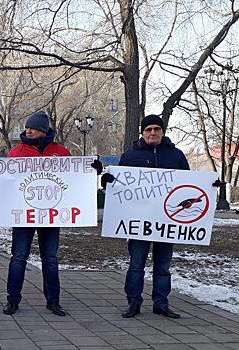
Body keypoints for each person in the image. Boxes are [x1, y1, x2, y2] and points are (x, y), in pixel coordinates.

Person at [0, 111, 84, 317]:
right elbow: (6, 180)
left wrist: (91, 170)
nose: (28, 130)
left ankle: (53, 301)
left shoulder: (60, 152)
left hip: (51, 215)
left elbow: (75, 178)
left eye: (32, 128)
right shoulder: (17, 152)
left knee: (50, 259)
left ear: (43, 130)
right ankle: (12, 300)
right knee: (18, 257)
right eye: (27, 127)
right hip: (24, 215)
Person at [101, 114, 189, 319]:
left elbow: (189, 185)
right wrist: (108, 182)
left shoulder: (176, 156)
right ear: (142, 132)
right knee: (136, 264)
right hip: (138, 221)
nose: (153, 133)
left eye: (157, 129)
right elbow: (118, 187)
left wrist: (209, 188)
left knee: (163, 267)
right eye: (148, 129)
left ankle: (161, 303)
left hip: (167, 222)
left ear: (163, 132)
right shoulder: (130, 156)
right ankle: (133, 302)